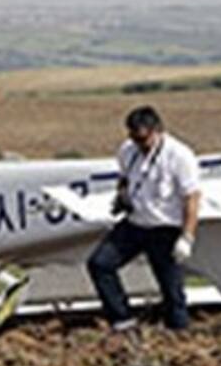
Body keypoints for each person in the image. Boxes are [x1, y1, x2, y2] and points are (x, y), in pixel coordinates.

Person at [86, 105, 201, 332]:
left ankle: (179, 333)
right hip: (135, 223)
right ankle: (122, 320)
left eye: (143, 138)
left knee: (171, 290)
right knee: (99, 263)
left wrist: (187, 237)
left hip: (164, 227)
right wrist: (122, 196)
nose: (139, 144)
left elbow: (192, 198)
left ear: (157, 131)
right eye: (134, 138)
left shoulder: (180, 156)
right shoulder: (128, 151)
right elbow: (124, 177)